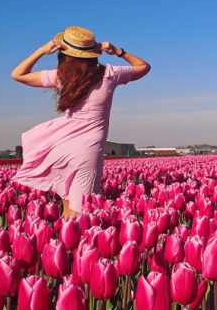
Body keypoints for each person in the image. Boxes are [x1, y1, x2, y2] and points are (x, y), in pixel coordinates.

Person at [12, 26, 150, 216]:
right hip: (88, 150)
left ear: (65, 52)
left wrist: (41, 51)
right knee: (80, 215)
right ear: (93, 52)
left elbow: (18, 74)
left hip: (62, 145)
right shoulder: (110, 73)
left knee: (68, 209)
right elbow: (144, 67)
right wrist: (119, 51)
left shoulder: (62, 76)